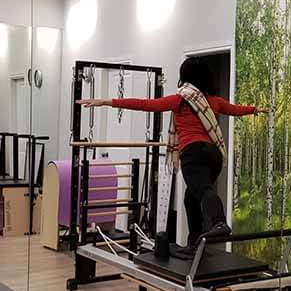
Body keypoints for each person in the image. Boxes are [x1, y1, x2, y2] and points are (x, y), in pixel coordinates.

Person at [77, 57, 267, 248]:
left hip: (193, 153)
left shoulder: (181, 100)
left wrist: (106, 101)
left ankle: (219, 222)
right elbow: (234, 110)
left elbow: (145, 104)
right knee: (191, 197)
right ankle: (195, 241)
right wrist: (255, 109)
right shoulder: (212, 101)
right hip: (213, 154)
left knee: (202, 190)